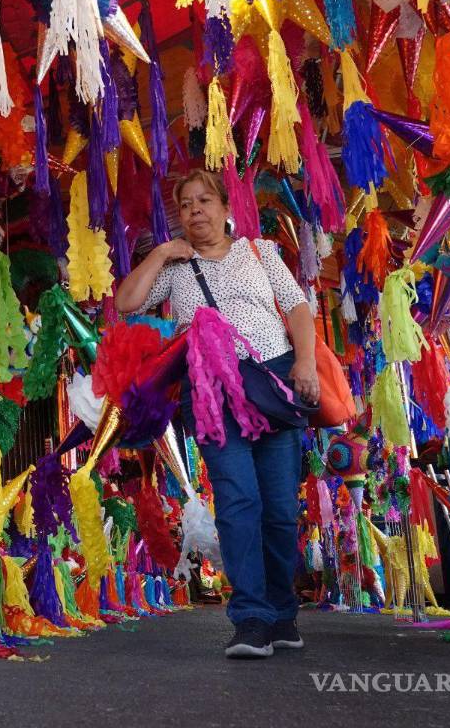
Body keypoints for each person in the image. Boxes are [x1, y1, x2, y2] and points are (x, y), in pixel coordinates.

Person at [116, 169, 320, 659]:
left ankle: (282, 610)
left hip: (271, 380)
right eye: (185, 205)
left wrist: (305, 361)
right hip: (210, 392)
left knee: (279, 507)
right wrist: (162, 252)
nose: (195, 211)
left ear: (227, 209)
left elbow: (296, 309)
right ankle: (251, 619)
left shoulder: (260, 252)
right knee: (236, 500)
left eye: (204, 201)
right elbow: (126, 303)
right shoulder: (175, 266)